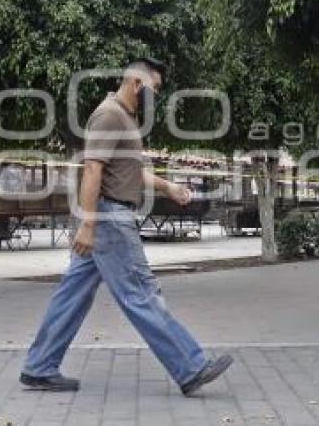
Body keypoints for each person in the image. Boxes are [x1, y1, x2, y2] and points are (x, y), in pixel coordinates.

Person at [20, 56, 232, 396]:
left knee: (72, 295)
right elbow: (92, 171)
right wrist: (88, 225)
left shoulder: (126, 118)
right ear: (137, 83)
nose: (157, 96)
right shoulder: (109, 115)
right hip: (110, 220)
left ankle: (39, 366)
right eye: (155, 88)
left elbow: (131, 172)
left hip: (107, 216)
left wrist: (169, 188)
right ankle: (191, 367)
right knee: (141, 293)